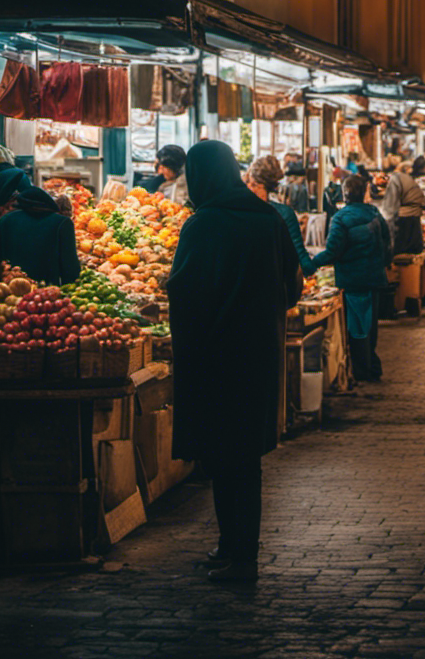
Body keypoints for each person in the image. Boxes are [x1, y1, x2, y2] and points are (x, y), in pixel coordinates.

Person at [167, 141, 300, 584]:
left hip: (214, 357)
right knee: (244, 458)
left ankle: (241, 558)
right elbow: (295, 285)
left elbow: (183, 291)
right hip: (257, 357)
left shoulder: (202, 224)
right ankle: (235, 548)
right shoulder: (268, 219)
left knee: (223, 458)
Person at [302, 175, 391, 382]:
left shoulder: (341, 218)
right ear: (364, 192)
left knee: (356, 327)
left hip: (352, 280)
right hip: (374, 278)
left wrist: (310, 264)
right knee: (370, 326)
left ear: (345, 194)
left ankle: (363, 370)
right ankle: (372, 367)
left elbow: (332, 252)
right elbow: (387, 241)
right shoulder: (374, 213)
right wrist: (382, 263)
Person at [0, 186, 80, 285]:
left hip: (9, 289)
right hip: (44, 295)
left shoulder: (7, 219)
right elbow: (70, 268)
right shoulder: (62, 223)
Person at [246, 156, 309, 271]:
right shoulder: (285, 213)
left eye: (253, 184)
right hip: (277, 281)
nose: (249, 187)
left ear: (261, 185)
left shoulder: (242, 212)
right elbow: (298, 254)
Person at [380, 158, 425, 257]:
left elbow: (389, 210)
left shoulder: (395, 179)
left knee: (402, 259)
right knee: (411, 257)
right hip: (414, 223)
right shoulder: (405, 178)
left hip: (405, 225)